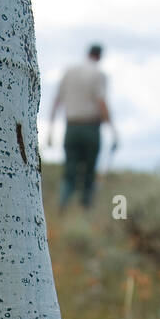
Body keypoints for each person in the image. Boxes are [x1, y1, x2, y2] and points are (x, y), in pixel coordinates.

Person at [49, 44, 112, 209]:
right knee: (89, 171)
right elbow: (101, 101)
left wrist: (51, 128)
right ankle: (85, 209)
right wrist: (111, 127)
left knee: (70, 169)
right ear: (99, 56)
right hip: (90, 127)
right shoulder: (98, 74)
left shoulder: (69, 72)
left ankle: (63, 207)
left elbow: (57, 101)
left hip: (71, 127)